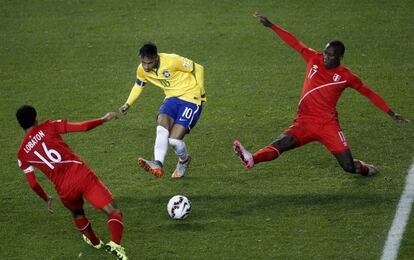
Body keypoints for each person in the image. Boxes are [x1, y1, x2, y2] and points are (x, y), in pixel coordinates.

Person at [233, 13, 408, 176]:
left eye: (331, 55)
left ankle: (366, 169)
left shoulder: (346, 76)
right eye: (325, 52)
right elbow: (294, 42)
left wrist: (391, 113)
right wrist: (271, 25)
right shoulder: (313, 58)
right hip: (304, 121)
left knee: (348, 167)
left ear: (340, 57)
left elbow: (369, 93)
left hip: (327, 125)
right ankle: (252, 158)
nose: (325, 57)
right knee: (281, 144)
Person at [16, 105, 128, 260]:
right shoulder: (49, 126)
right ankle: (115, 245)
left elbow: (33, 184)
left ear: (19, 125)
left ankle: (94, 241)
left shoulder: (22, 155)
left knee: (77, 213)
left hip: (63, 188)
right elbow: (82, 127)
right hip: (81, 175)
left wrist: (47, 198)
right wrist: (103, 119)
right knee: (113, 211)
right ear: (36, 117)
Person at [119, 43, 206, 178]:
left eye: (149, 63)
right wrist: (128, 104)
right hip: (171, 98)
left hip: (191, 98)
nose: (146, 66)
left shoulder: (172, 60)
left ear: (156, 57)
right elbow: (138, 85)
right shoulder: (142, 70)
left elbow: (198, 68)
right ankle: (157, 163)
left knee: (174, 140)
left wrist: (201, 90)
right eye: (143, 62)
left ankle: (184, 160)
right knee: (161, 125)